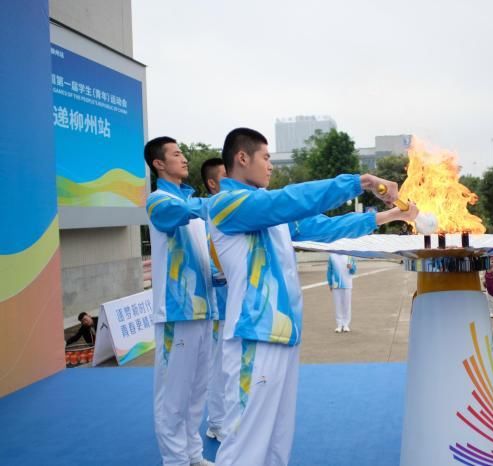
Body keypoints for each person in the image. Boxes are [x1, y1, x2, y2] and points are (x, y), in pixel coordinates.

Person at [208, 128, 417, 466]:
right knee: (245, 443)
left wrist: (391, 216)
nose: (271, 166)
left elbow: (325, 228)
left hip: (282, 335)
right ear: (242, 158)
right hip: (254, 337)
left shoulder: (271, 215)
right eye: (265, 158)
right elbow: (289, 200)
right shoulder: (227, 204)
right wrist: (359, 182)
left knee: (277, 440)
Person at [145, 137, 216, 466]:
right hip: (176, 314)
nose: (184, 159)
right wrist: (222, 203)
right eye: (176, 154)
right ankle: (175, 461)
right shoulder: (159, 202)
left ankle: (193, 455)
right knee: (173, 398)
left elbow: (201, 260)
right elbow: (179, 213)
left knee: (196, 394)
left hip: (203, 312)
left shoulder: (195, 208)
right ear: (159, 164)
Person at [200, 157, 229, 443]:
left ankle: (225, 419)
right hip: (218, 305)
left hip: (236, 305)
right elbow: (209, 262)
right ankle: (217, 422)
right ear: (212, 183)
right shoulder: (207, 216)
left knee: (232, 365)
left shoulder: (232, 213)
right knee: (218, 366)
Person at [327, 253, 357, 333]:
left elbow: (354, 271)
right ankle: (339, 325)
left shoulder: (350, 256)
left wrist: (351, 268)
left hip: (347, 284)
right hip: (336, 284)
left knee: (346, 305)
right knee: (338, 305)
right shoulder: (332, 256)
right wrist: (330, 283)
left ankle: (346, 325)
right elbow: (329, 270)